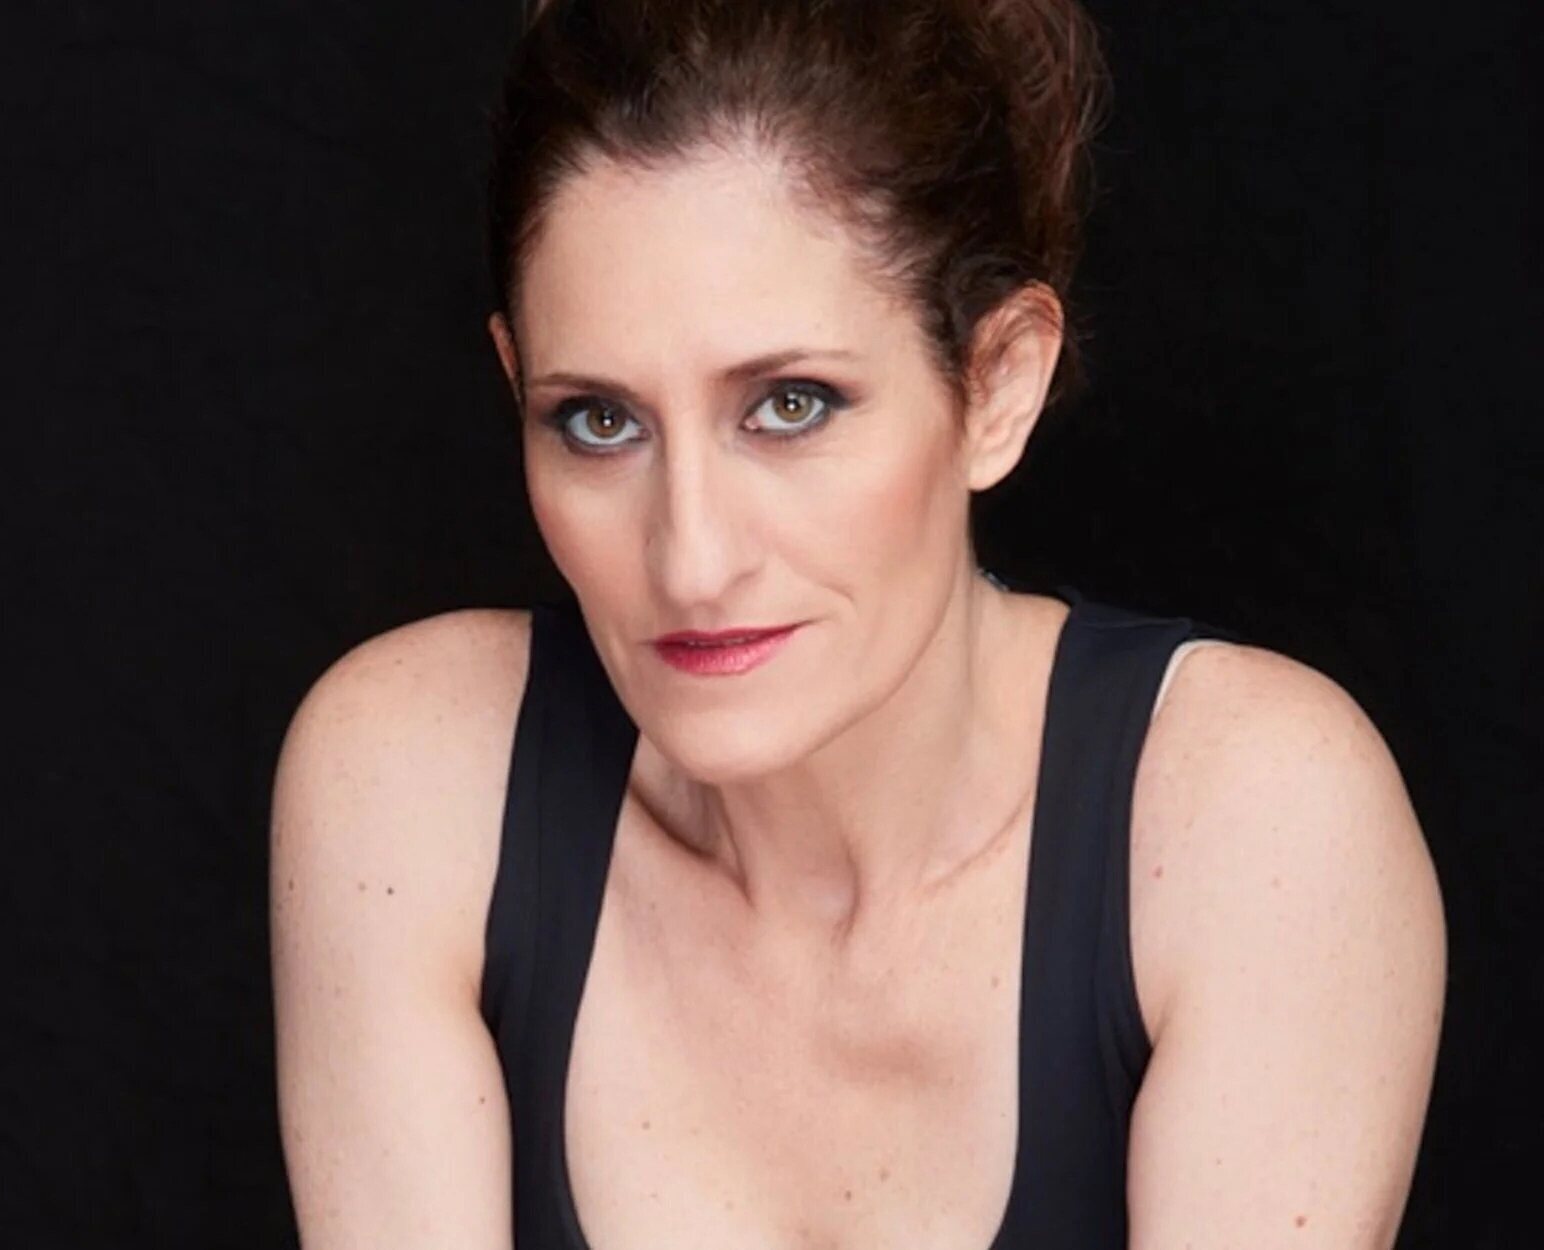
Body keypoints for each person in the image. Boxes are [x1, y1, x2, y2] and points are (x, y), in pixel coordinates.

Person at [268, 0, 1446, 1245]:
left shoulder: (1244, 817)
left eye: (789, 404)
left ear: (995, 384)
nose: (691, 559)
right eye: (599, 421)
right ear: (517, 388)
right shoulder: (415, 779)